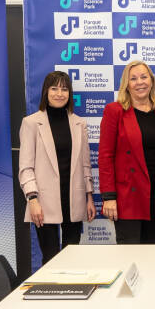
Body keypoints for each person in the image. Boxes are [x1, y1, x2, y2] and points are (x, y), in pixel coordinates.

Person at [19, 71, 95, 264]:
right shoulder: (31, 123)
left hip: (74, 199)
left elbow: (86, 164)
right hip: (43, 203)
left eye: (64, 89)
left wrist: (89, 197)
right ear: (46, 91)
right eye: (54, 88)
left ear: (69, 93)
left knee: (72, 257)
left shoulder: (79, 123)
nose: (59, 93)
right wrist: (32, 199)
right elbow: (26, 167)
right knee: (50, 258)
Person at [99, 61, 155, 243]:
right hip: (128, 196)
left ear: (151, 81)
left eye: (144, 77)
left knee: (149, 253)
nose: (139, 82)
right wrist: (109, 197)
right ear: (126, 84)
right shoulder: (115, 111)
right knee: (129, 255)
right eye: (133, 79)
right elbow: (105, 157)